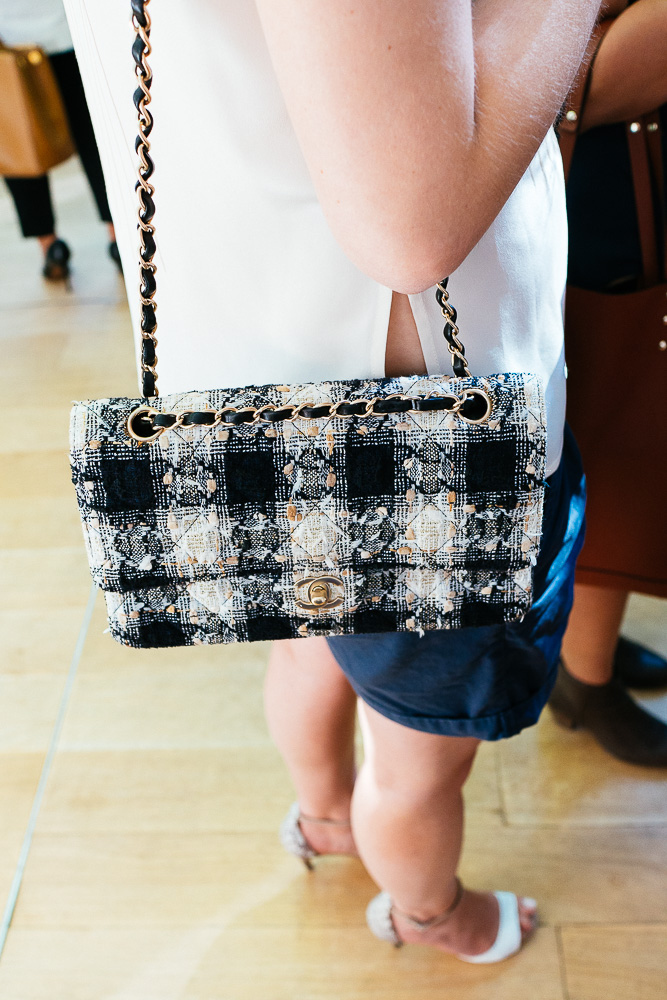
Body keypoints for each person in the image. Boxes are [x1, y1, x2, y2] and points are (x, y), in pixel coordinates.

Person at [63, 0, 598, 962]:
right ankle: (430, 914)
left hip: (247, 399)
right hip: (422, 441)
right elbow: (411, 223)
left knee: (308, 645)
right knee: (418, 751)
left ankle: (323, 818)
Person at [551, 0, 667, 766]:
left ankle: (583, 642)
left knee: (622, 426)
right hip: (595, 186)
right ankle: (580, 678)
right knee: (615, 436)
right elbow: (590, 81)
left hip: (623, 171)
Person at [0, 0, 118, 280]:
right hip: (70, 30)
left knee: (18, 140)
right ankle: (117, 238)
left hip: (12, 34)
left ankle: (50, 246)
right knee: (97, 138)